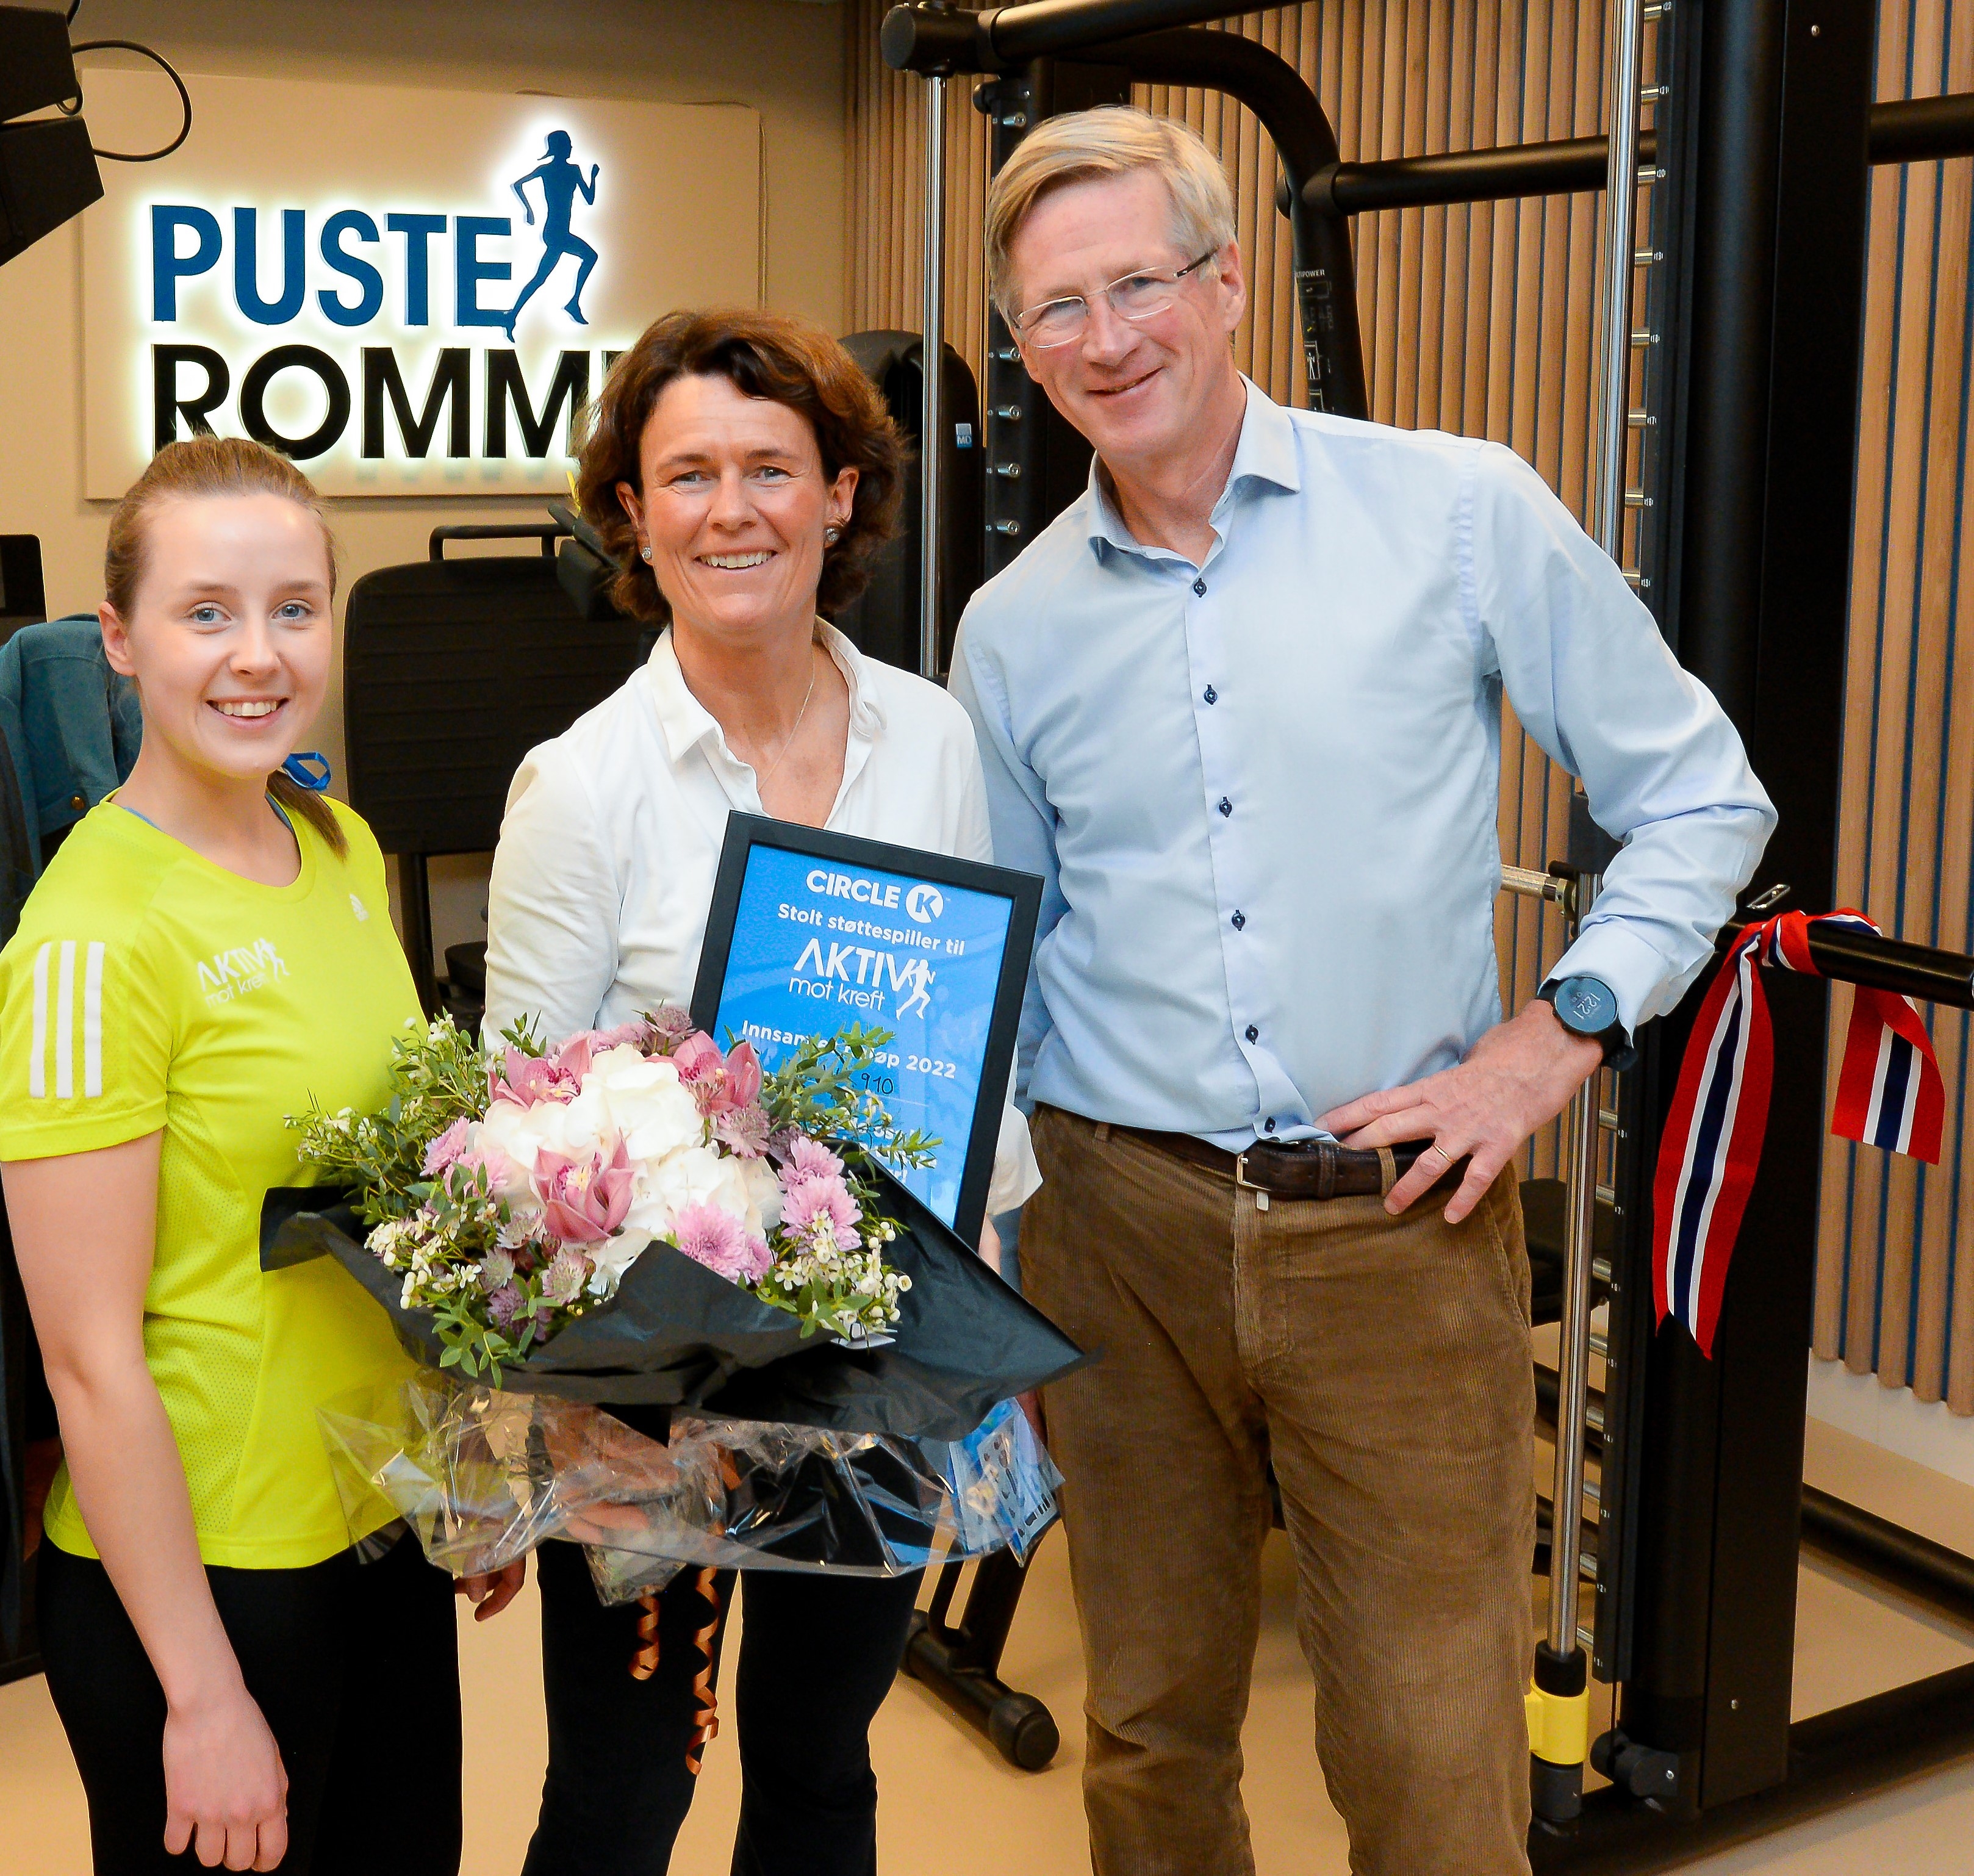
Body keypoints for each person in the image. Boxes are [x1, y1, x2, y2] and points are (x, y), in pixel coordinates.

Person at [949, 107, 1776, 1876]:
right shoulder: (1009, 628)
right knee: (1148, 1732)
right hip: (1114, 1229)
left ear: (1227, 280)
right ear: (1020, 343)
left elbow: (1703, 797)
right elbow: (1007, 962)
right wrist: (997, 1258)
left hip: (1397, 1223)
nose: (1104, 338)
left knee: (1425, 1749)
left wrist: (1551, 1038)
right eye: (1054, 310)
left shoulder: (1453, 510)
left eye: (1138, 284)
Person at [482, 306, 1043, 1876]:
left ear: (842, 496)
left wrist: (987, 1310)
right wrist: (575, 1417)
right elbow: (513, 1139)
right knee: (622, 1795)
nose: (732, 510)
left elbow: (968, 1044)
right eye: (688, 474)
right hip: (651, 1383)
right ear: (633, 513)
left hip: (884, 1357)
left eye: (771, 468)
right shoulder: (581, 783)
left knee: (818, 1764)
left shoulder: (931, 739)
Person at [0, 436, 522, 1875]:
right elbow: (87, 1360)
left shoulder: (337, 842)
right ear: (119, 638)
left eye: (295, 607)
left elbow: (397, 1211)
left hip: (375, 1528)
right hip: (212, 1579)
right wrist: (203, 1692)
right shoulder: (90, 940)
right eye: (205, 611)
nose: (258, 654)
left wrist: (460, 1465)